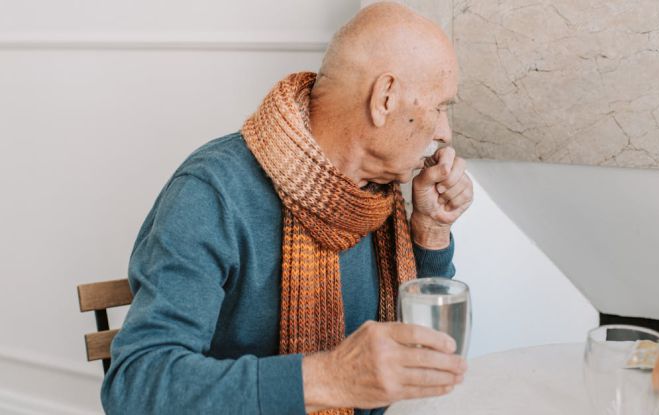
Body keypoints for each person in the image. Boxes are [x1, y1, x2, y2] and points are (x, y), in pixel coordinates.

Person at [101, 2, 474, 414]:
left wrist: (432, 231)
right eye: (440, 107)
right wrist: (329, 377)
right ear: (384, 98)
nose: (444, 132)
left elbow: (409, 351)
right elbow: (136, 384)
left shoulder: (377, 197)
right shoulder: (212, 193)